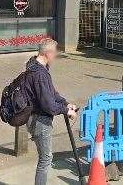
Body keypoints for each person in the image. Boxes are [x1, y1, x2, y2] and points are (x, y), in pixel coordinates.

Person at [24, 38, 77, 185]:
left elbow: (52, 94)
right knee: (45, 159)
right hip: (40, 120)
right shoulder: (39, 74)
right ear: (48, 53)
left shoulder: (36, 67)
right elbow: (48, 105)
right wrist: (66, 111)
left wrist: (66, 104)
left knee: (45, 157)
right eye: (54, 53)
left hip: (37, 118)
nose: (55, 56)